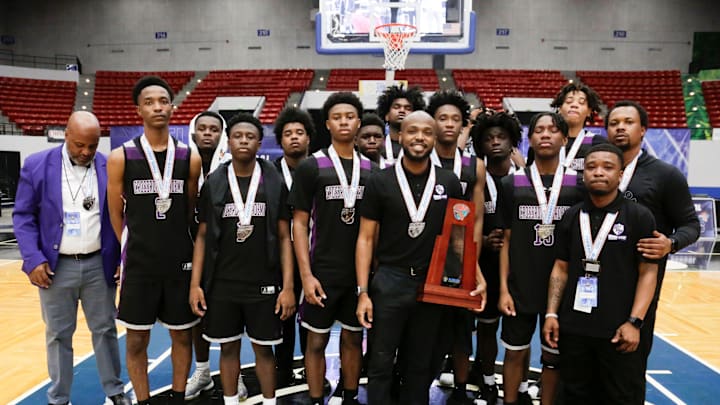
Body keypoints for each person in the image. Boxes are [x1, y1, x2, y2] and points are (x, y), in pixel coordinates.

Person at [356, 110, 484, 404]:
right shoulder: (379, 181)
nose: (419, 138)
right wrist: (363, 292)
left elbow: (458, 239)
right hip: (390, 279)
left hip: (431, 285)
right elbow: (365, 239)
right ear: (400, 135)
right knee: (380, 362)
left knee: (420, 364)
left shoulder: (449, 181)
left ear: (435, 138)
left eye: (427, 132)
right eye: (412, 131)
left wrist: (477, 275)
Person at [13, 111, 131, 405]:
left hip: (98, 263)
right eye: (79, 145)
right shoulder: (37, 164)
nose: (86, 152)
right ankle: (59, 397)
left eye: (92, 145)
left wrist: (121, 259)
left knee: (104, 330)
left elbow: (123, 217)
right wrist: (32, 259)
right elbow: (24, 216)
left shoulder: (110, 165)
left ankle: (115, 391)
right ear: (65, 134)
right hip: (55, 266)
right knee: (58, 334)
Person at [107, 76, 202, 405]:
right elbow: (116, 214)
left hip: (179, 261)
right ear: (138, 110)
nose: (158, 106)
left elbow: (190, 209)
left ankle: (177, 397)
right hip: (140, 265)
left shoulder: (189, 157)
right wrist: (134, 247)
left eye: (163, 100)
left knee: (182, 335)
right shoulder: (121, 157)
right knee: (136, 341)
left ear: (173, 108)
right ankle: (144, 401)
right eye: (150, 102)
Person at [189, 113, 296, 405]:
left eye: (250, 136)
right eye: (238, 136)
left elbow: (285, 237)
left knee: (264, 350)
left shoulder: (273, 179)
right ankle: (230, 401)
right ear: (229, 141)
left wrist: (288, 287)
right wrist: (195, 284)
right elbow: (201, 236)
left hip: (264, 282)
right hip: (222, 283)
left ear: (259, 142)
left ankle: (270, 402)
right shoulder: (215, 182)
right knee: (228, 348)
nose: (244, 141)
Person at [542, 143, 659, 404]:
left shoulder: (639, 216)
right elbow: (561, 268)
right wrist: (551, 313)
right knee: (574, 395)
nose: (598, 172)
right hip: (575, 329)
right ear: (583, 174)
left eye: (608, 167)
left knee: (620, 397)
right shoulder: (572, 217)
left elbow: (648, 273)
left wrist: (635, 322)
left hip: (619, 331)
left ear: (620, 174)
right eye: (591, 167)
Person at [605, 100, 700, 398]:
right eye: (613, 122)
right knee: (591, 370)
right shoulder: (598, 169)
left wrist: (670, 243)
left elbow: (691, 225)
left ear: (643, 130)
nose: (620, 127)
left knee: (628, 370)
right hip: (594, 284)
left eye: (628, 122)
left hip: (639, 288)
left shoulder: (665, 175)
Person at [289, 92, 375, 405]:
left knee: (354, 339)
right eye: (337, 117)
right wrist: (306, 275)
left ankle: (350, 397)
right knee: (316, 341)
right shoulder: (311, 167)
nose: (343, 122)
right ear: (327, 123)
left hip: (358, 275)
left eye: (349, 116)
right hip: (321, 272)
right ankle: (316, 399)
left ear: (358, 122)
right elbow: (298, 224)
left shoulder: (372, 170)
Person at [497, 112, 584, 405]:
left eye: (552, 129)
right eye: (538, 130)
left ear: (564, 138)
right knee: (514, 351)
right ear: (530, 139)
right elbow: (506, 241)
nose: (545, 134)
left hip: (562, 290)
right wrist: (504, 290)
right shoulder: (511, 185)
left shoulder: (578, 185)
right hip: (521, 286)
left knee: (552, 358)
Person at [425, 90, 487, 405]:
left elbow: (476, 218)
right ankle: (418, 383)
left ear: (464, 125)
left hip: (460, 258)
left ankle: (460, 390)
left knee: (462, 330)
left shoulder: (474, 166)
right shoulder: (417, 159)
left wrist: (470, 260)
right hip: (424, 258)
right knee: (424, 329)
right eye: (442, 118)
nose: (449, 124)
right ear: (431, 123)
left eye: (456, 119)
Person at [184, 110, 245, 400]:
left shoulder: (232, 167)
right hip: (191, 246)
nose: (208, 133)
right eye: (202, 128)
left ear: (222, 135)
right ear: (193, 132)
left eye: (214, 129)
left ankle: (237, 374)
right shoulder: (181, 163)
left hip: (227, 252)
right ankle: (203, 370)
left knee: (232, 315)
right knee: (197, 314)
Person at [469, 111, 523, 405]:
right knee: (486, 327)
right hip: (485, 264)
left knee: (518, 332)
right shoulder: (475, 176)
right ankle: (488, 379)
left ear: (512, 141)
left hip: (520, 264)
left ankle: (522, 385)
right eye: (488, 138)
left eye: (501, 137)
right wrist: (483, 241)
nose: (495, 143)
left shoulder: (524, 180)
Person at [272, 106, 316, 388]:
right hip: (278, 259)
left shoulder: (321, 170)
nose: (294, 138)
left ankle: (312, 370)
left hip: (315, 255)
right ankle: (283, 369)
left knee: (311, 319)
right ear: (280, 141)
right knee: (283, 317)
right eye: (288, 134)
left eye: (300, 132)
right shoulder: (269, 172)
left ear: (309, 137)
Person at [550, 82, 607, 175]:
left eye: (581, 102)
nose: (574, 105)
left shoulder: (599, 143)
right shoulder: (547, 141)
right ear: (560, 108)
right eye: (569, 101)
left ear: (589, 111)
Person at [376, 85, 426, 164]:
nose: (402, 111)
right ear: (387, 116)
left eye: (408, 108)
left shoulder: (423, 145)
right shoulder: (376, 145)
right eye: (396, 107)